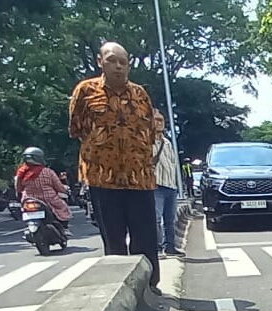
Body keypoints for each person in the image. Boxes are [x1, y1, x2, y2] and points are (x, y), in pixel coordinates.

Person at [69, 41, 162, 292]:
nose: (119, 66)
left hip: (139, 176)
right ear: (100, 62)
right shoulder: (85, 91)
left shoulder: (140, 93)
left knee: (145, 236)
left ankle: (149, 287)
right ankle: (119, 288)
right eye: (112, 60)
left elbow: (151, 133)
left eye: (123, 61)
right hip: (103, 178)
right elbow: (76, 128)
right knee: (114, 238)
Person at [14, 147, 73, 231]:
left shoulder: (21, 173)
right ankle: (64, 229)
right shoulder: (48, 172)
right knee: (63, 208)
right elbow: (59, 187)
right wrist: (65, 189)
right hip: (49, 200)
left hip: (28, 200)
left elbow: (18, 189)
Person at [152, 110, 184, 257]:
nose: (159, 123)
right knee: (156, 219)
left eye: (161, 120)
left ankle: (170, 247)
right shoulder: (147, 141)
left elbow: (172, 163)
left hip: (170, 185)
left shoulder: (167, 142)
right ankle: (157, 248)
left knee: (170, 220)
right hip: (156, 185)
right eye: (156, 120)